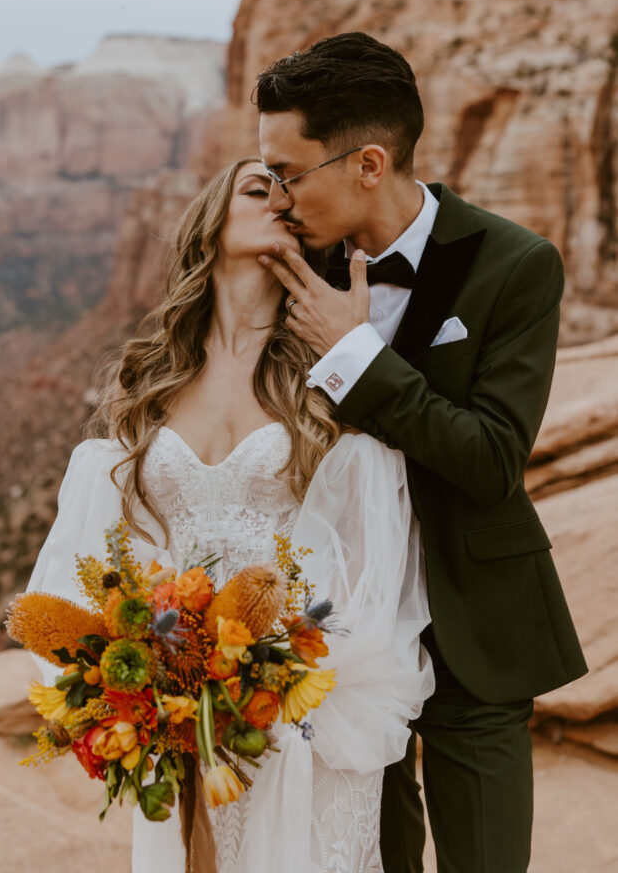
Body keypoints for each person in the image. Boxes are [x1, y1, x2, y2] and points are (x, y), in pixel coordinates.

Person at [26, 158, 435, 873]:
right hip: (185, 713)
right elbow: (111, 556)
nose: (281, 197)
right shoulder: (151, 384)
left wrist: (264, 673)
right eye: (258, 186)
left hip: (298, 708)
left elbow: (370, 560)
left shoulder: (323, 377)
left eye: (289, 190)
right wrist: (156, 677)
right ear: (210, 224)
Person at [254, 31, 588, 873]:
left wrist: (356, 358)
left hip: (472, 625)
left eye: (288, 174)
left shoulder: (516, 265)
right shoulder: (287, 267)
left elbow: (489, 457)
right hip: (337, 636)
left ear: (367, 163)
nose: (278, 199)